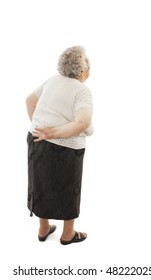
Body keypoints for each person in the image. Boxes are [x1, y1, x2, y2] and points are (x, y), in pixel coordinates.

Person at [26, 46, 93, 245]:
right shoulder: (82, 91)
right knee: (69, 187)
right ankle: (68, 234)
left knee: (40, 183)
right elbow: (83, 123)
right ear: (81, 70)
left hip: (36, 141)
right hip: (68, 148)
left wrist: (41, 129)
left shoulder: (52, 80)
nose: (90, 66)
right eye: (88, 62)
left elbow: (29, 101)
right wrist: (52, 132)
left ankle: (44, 228)